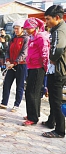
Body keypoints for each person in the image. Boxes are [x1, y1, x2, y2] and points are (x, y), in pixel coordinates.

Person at [0, 20, 29, 112]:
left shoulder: (26, 39)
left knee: (19, 86)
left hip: (21, 65)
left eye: (17, 28)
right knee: (6, 83)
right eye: (14, 29)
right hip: (11, 65)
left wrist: (15, 62)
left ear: (22, 29)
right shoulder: (13, 38)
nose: (16, 30)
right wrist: (8, 60)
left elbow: (24, 53)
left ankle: (16, 105)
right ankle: (4, 103)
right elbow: (8, 51)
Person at [42, 5, 66, 138]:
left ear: (57, 18)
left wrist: (52, 58)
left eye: (48, 19)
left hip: (59, 70)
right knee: (52, 98)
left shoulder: (60, 31)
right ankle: (51, 121)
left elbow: (58, 48)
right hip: (57, 69)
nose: (46, 22)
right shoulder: (57, 28)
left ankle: (60, 131)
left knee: (56, 100)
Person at [22, 18, 50, 126]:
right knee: (33, 92)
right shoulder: (32, 37)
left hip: (38, 68)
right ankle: (34, 113)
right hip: (31, 67)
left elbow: (45, 53)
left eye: (29, 28)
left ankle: (33, 118)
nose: (27, 30)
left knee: (32, 92)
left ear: (35, 27)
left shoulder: (41, 37)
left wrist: (45, 68)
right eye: (26, 28)